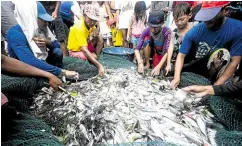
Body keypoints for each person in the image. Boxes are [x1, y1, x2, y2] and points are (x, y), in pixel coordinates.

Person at [171, 1, 242, 88]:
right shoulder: (194, 32)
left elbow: (234, 62)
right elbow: (181, 55)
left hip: (225, 70)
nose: (207, 20)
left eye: (211, 15)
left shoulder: (238, 29)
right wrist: (176, 77)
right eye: (205, 15)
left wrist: (215, 88)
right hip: (202, 68)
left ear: (226, 10)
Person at [7, 1, 78, 79]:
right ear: (31, 17)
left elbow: (57, 45)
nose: (46, 23)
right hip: (25, 69)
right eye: (43, 19)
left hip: (42, 60)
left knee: (57, 52)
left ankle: (52, 73)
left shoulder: (41, 28)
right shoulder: (15, 34)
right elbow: (29, 61)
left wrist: (48, 43)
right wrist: (61, 72)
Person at [67, 4, 105, 76]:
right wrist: (99, 66)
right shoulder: (79, 27)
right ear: (84, 16)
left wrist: (95, 33)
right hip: (75, 50)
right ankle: (96, 62)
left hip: (85, 45)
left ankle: (95, 59)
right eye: (90, 19)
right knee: (93, 57)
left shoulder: (90, 25)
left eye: (94, 20)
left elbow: (94, 34)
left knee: (99, 38)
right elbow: (84, 49)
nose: (92, 22)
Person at [135, 11, 171, 76]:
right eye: (151, 27)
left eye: (156, 27)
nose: (153, 30)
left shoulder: (167, 32)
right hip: (154, 51)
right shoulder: (147, 30)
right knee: (146, 40)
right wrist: (140, 63)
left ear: (162, 24)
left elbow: (167, 51)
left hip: (163, 53)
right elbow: (137, 49)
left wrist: (159, 66)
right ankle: (148, 64)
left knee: (159, 70)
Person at [166, 3, 198, 75]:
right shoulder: (174, 32)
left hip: (194, 62)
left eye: (182, 19)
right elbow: (170, 48)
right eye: (176, 20)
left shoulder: (196, 27)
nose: (179, 23)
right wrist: (168, 63)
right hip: (180, 63)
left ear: (189, 15)